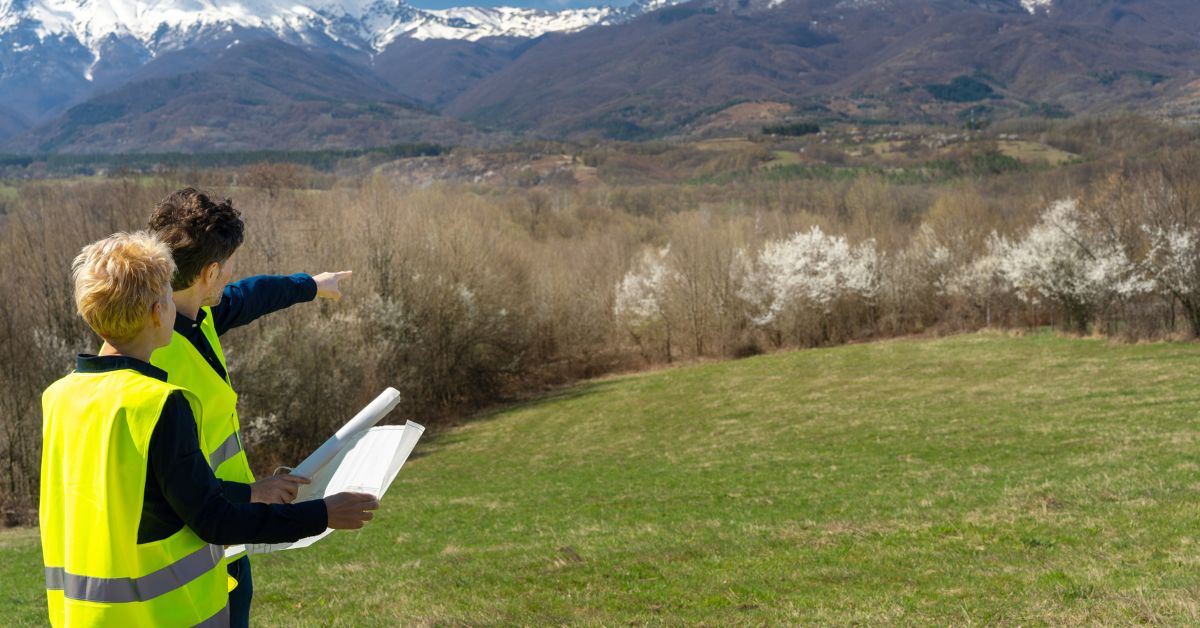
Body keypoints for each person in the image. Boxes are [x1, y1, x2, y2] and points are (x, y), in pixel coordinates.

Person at [40, 231, 378, 627]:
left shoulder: (59, 396)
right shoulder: (159, 404)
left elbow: (145, 502)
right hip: (167, 616)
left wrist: (252, 492)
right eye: (169, 297)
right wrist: (323, 513)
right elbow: (213, 519)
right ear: (157, 312)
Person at [146, 188, 353, 626]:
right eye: (227, 267)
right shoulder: (154, 359)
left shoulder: (195, 317)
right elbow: (170, 478)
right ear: (210, 272)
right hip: (197, 547)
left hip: (230, 532)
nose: (230, 277)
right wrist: (254, 496)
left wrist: (312, 285)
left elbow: (249, 296)